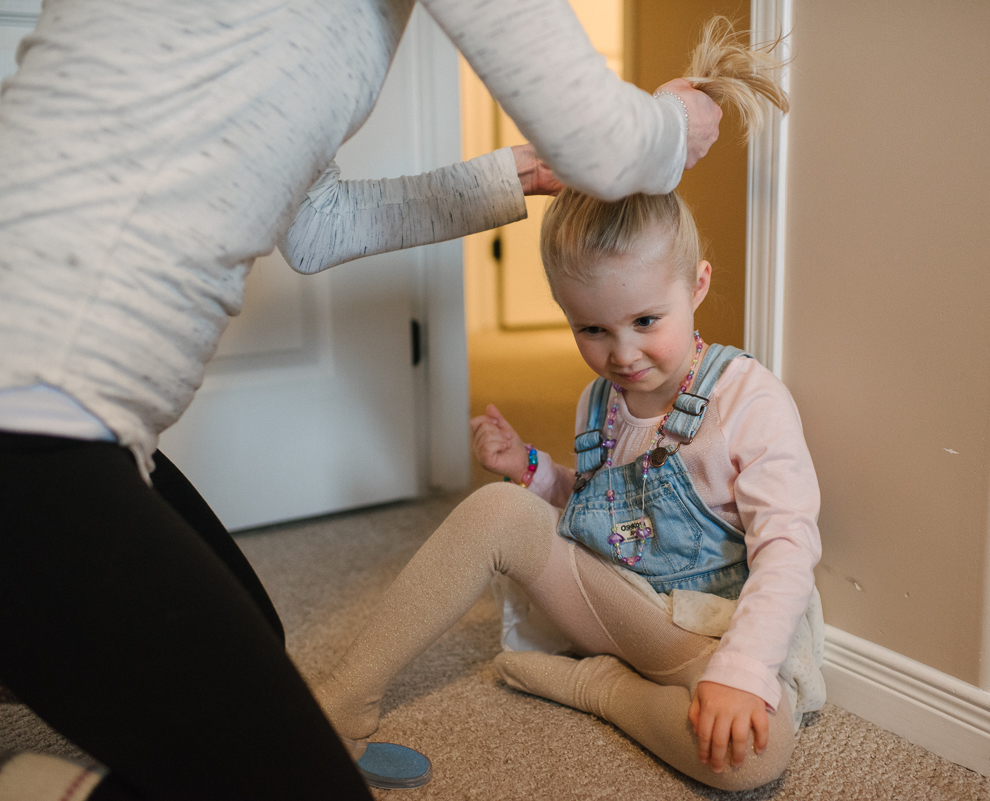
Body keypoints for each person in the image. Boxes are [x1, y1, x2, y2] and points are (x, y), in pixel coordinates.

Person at [0, 0, 724, 798]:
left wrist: (519, 174)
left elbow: (315, 224)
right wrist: (688, 116)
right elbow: (611, 145)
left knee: (250, 644)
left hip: (54, 419)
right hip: (29, 426)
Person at [313, 20, 823, 791]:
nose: (622, 353)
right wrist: (530, 470)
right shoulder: (600, 400)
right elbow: (599, 508)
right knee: (498, 512)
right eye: (592, 328)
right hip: (609, 599)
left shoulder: (747, 399)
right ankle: (337, 700)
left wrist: (742, 671)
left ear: (699, 288)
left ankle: (596, 688)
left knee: (758, 749)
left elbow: (788, 544)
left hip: (691, 632)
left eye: (647, 322)